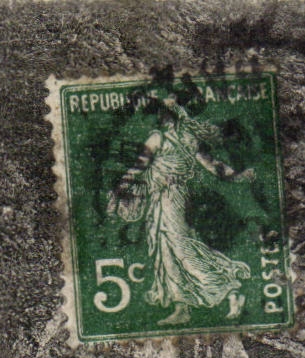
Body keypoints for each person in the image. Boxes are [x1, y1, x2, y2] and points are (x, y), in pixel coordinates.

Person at [108, 96, 254, 325]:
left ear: (164, 115)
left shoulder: (158, 138)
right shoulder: (188, 138)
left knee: (178, 247)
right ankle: (182, 307)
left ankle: (228, 290)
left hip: (167, 198)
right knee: (166, 248)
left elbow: (138, 167)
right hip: (170, 197)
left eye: (158, 112)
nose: (156, 116)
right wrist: (236, 176)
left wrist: (121, 188)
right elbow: (214, 166)